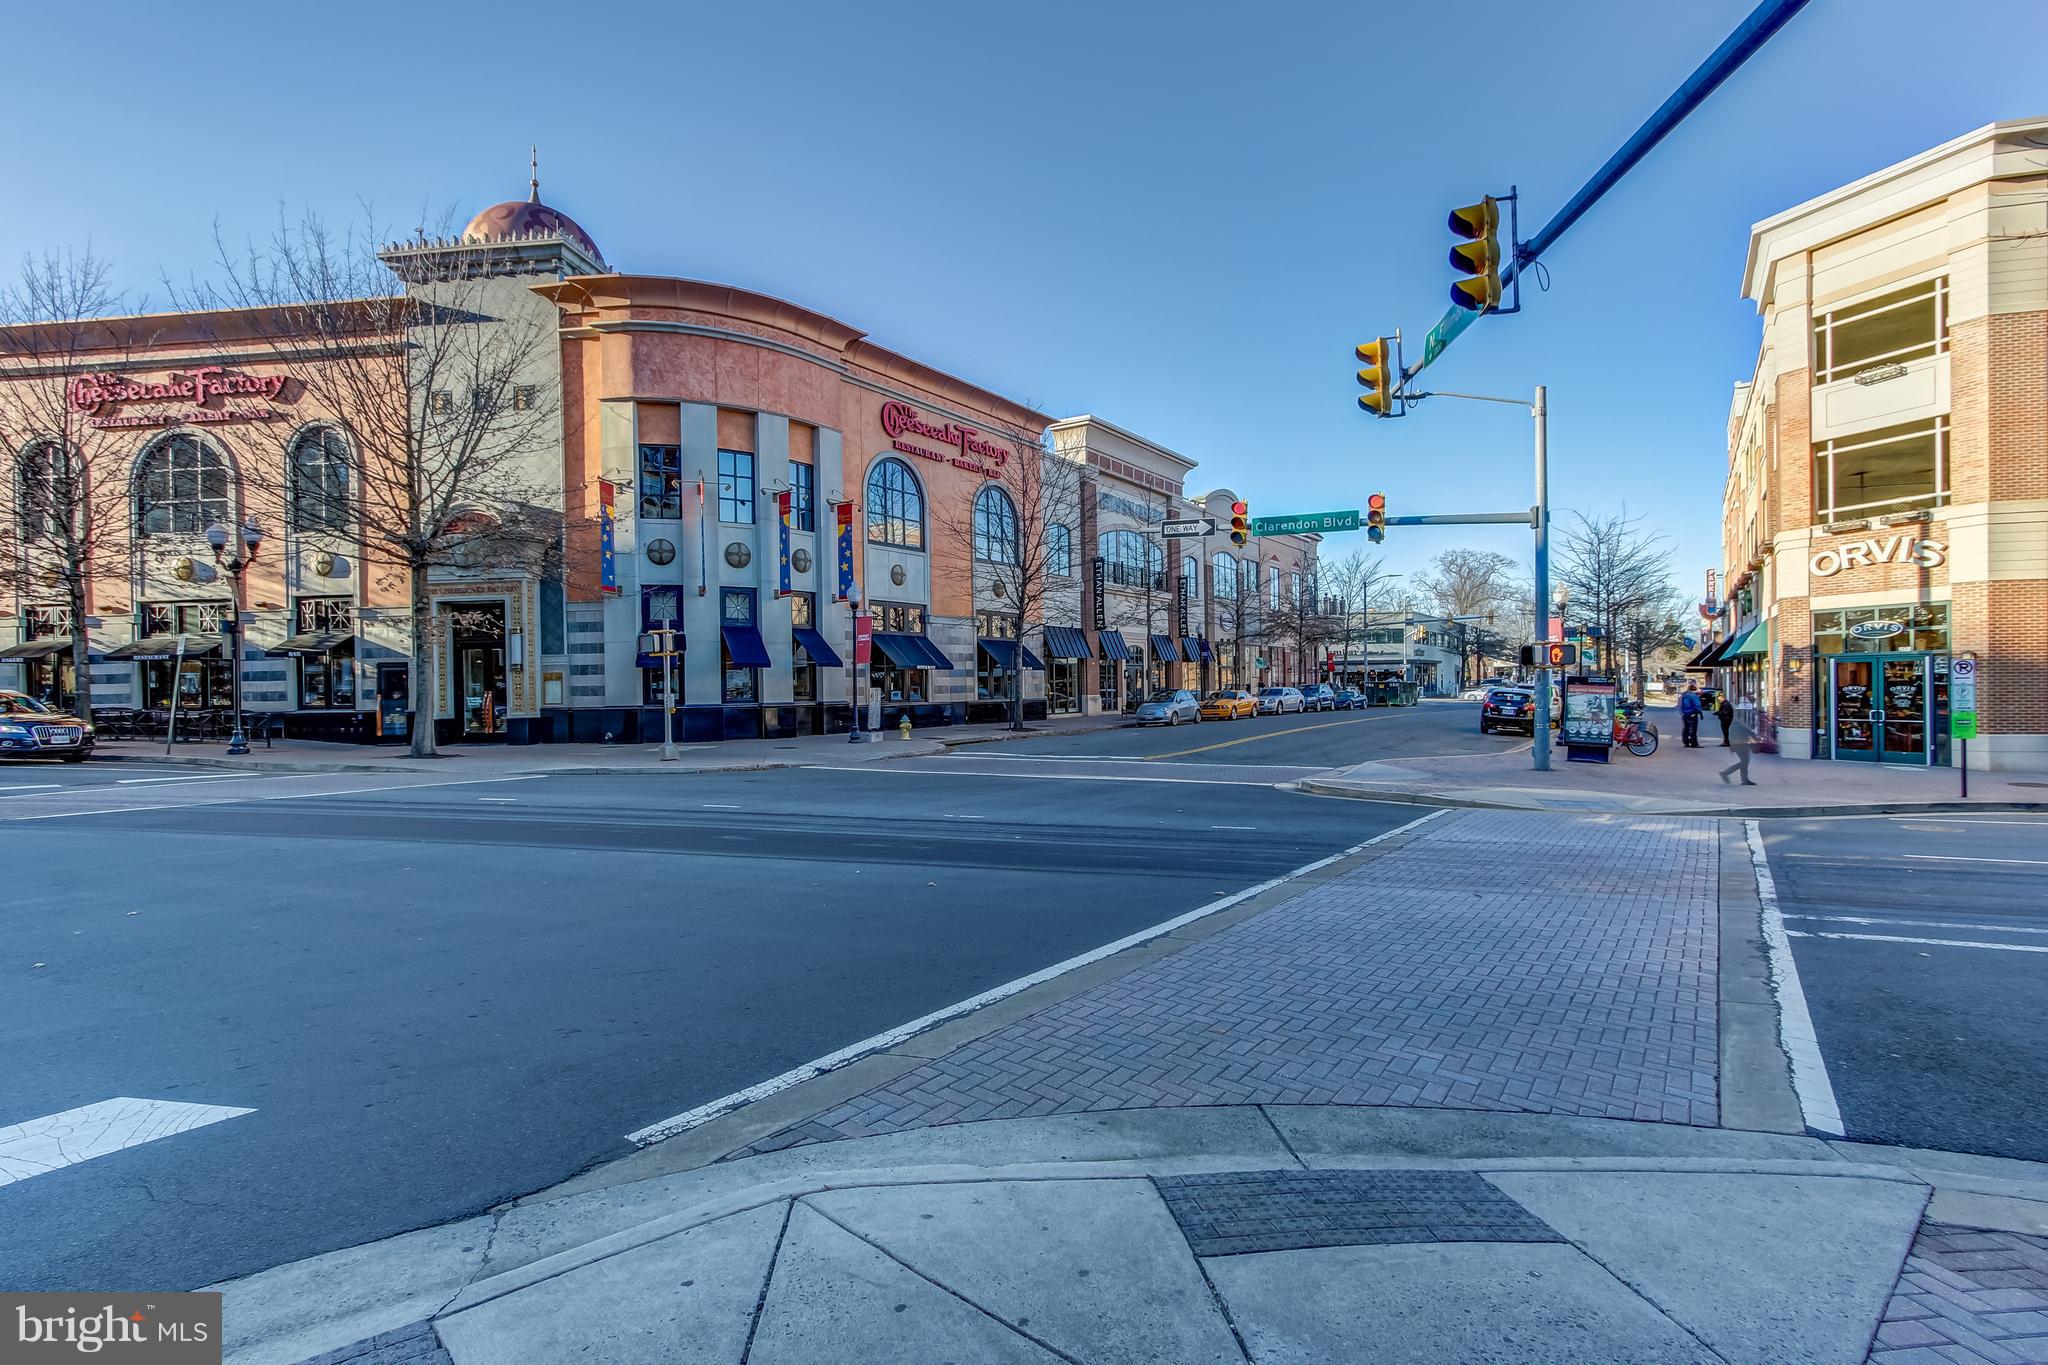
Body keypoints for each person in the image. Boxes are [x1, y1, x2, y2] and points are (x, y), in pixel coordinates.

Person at [1721, 698, 1758, 785]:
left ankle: (1744, 779)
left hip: (1739, 742)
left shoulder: (1738, 719)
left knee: (1745, 761)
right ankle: (1726, 773)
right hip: (1740, 742)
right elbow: (1746, 730)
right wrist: (1754, 736)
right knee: (1745, 761)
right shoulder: (1741, 720)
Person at [1679, 682, 1703, 748]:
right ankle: (1694, 743)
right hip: (1692, 713)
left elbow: (1680, 705)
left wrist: (1682, 713)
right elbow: (1697, 705)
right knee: (1693, 729)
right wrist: (1698, 712)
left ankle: (1686, 742)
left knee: (1686, 728)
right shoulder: (1694, 696)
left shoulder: (1684, 695)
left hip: (1685, 714)